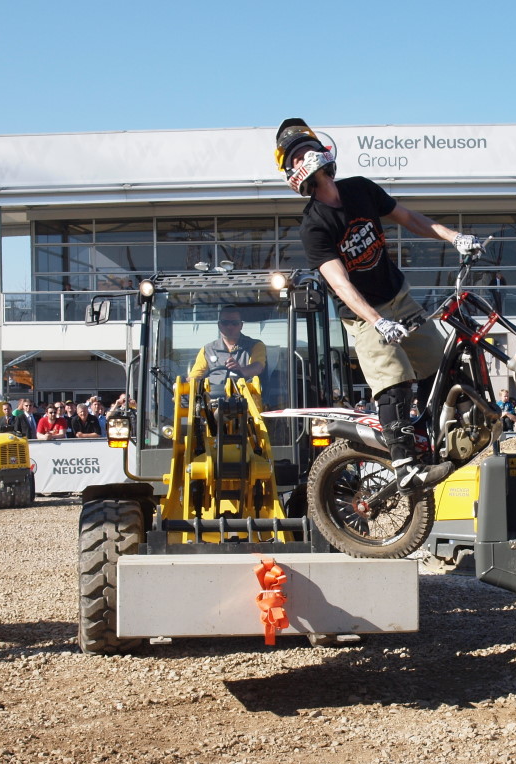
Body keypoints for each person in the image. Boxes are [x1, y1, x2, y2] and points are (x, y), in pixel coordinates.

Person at [276, 117, 478, 494]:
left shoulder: (360, 190)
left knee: (440, 364)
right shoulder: (313, 226)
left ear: (325, 153)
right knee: (393, 380)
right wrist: (377, 320)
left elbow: (409, 218)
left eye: (309, 148)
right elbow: (339, 282)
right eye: (298, 155)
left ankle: (440, 437)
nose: (308, 157)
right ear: (293, 173)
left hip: (398, 296)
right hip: (364, 315)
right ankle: (405, 466)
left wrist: (455, 237)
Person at [188, 306, 267, 392]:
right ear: (219, 325)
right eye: (225, 323)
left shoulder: (256, 346)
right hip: (211, 399)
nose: (230, 327)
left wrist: (241, 370)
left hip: (247, 398)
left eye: (235, 323)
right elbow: (195, 376)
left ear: (241, 325)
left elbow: (258, 367)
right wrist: (183, 384)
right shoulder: (207, 350)